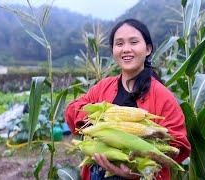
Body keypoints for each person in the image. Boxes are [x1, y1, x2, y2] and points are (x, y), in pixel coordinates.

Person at [65, 18, 191, 180]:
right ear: (113, 51)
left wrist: (136, 167)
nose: (126, 49)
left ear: (148, 49)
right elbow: (72, 109)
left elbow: (179, 145)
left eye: (133, 42)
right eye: (119, 44)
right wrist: (99, 121)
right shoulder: (103, 87)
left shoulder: (162, 96)